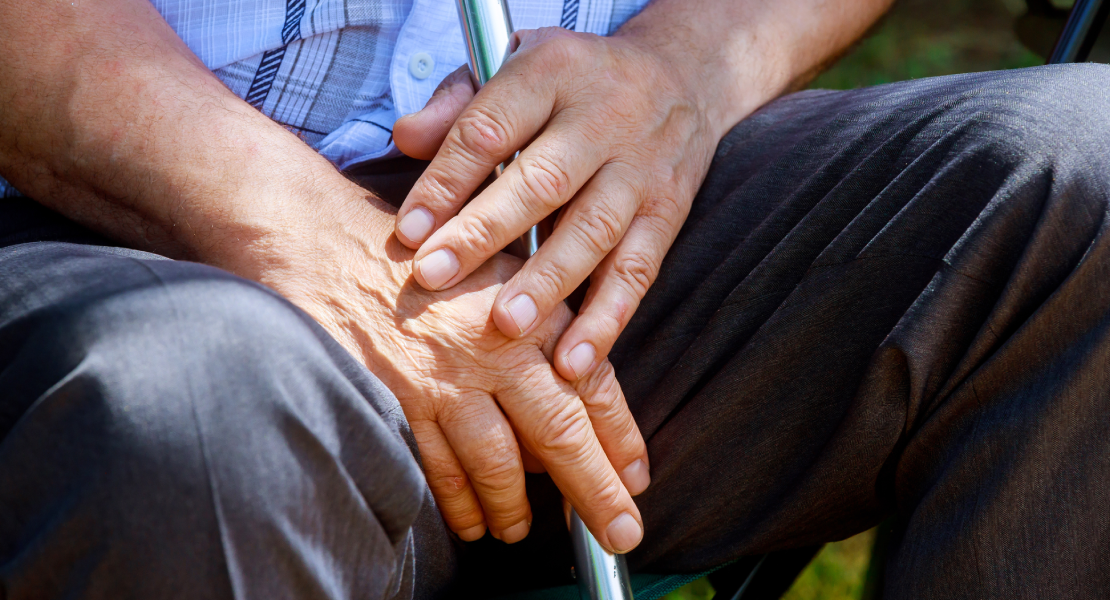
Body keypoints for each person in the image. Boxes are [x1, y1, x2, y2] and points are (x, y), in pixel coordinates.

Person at [2, 0, 1110, 596]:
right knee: (193, 401)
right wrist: (281, 222)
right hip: (107, 215)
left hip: (621, 185)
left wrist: (688, 67)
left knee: (1091, 181)